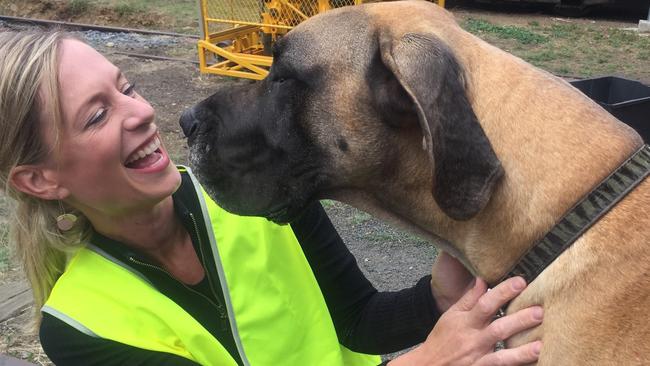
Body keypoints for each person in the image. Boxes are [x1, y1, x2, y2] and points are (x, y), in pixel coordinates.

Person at [0, 30, 543, 366]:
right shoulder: (79, 329)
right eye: (97, 115)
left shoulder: (251, 191)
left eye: (126, 88)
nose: (141, 113)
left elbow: (355, 322)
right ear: (40, 181)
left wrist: (436, 302)